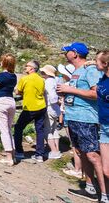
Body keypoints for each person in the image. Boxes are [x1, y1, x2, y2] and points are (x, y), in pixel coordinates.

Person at [57, 42, 105, 201]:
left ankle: (105, 194)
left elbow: (96, 94)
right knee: (82, 153)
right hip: (74, 117)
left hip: (86, 118)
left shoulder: (90, 70)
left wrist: (69, 90)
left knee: (92, 155)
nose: (65, 54)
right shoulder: (78, 71)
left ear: (75, 54)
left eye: (67, 52)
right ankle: (90, 188)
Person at [13, 60, 47, 162]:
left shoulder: (25, 79)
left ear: (32, 68)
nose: (25, 68)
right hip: (41, 106)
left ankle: (19, 152)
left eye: (27, 66)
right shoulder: (41, 79)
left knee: (18, 127)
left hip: (30, 107)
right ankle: (39, 154)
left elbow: (18, 91)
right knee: (39, 130)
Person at [58, 63, 83, 179]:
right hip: (73, 114)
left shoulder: (68, 85)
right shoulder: (75, 85)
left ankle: (78, 169)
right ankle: (81, 168)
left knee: (75, 143)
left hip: (70, 114)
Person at [39, 64, 61, 159]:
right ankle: (56, 149)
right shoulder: (54, 80)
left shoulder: (48, 82)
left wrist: (53, 102)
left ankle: (54, 151)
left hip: (49, 108)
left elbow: (52, 96)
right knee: (54, 129)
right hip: (55, 109)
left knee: (47, 130)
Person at [96, 50, 109, 203]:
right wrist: (93, 63)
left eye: (96, 60)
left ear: (105, 64)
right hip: (104, 126)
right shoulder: (103, 77)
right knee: (106, 170)